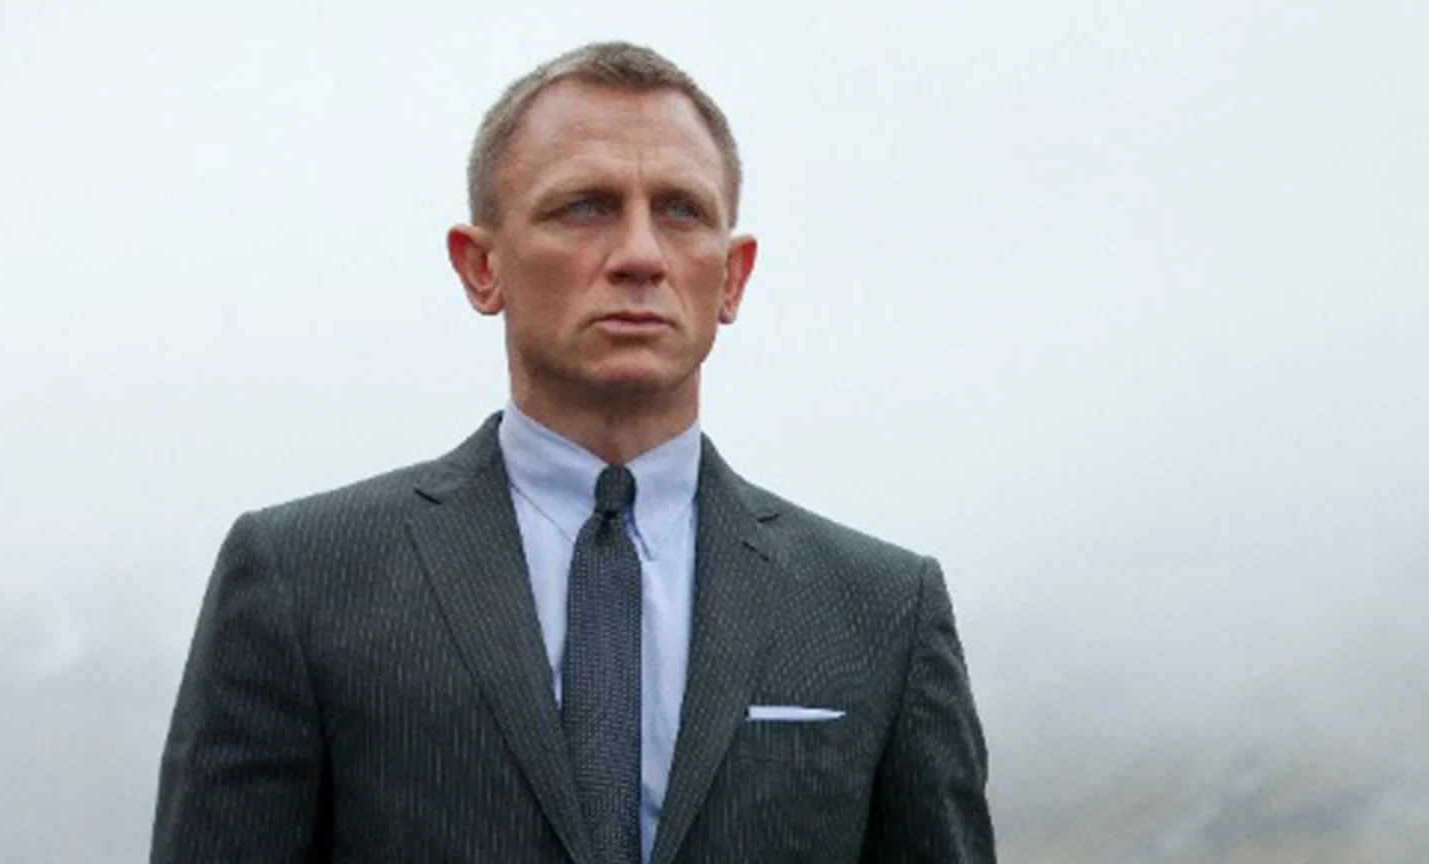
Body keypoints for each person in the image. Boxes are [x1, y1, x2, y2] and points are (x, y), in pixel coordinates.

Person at [151, 40, 994, 864]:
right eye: (584, 206)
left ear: (732, 277)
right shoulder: (305, 580)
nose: (638, 256)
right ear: (481, 267)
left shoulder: (881, 611)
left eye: (681, 211)